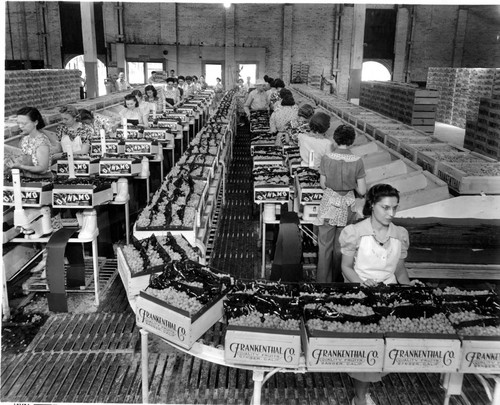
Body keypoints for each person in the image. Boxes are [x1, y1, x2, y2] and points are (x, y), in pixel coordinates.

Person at [339, 183, 420, 405]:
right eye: (385, 207)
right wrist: (363, 284)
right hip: (360, 296)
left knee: (386, 348)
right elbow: (346, 267)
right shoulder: (355, 233)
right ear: (372, 205)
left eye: (394, 208)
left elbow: (400, 270)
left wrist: (410, 290)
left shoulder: (400, 235)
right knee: (366, 348)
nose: (391, 213)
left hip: (389, 298)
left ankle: (364, 390)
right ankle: (360, 397)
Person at [315, 124, 366, 284]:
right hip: (348, 206)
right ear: (352, 141)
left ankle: (322, 284)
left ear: (335, 139)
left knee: (324, 246)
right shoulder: (358, 161)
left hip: (329, 205)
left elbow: (323, 184)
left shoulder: (326, 158)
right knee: (341, 247)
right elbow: (363, 191)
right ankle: (337, 282)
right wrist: (352, 185)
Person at [6, 107, 52, 178]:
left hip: (42, 181)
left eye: (24, 124)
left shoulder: (42, 142)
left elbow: (43, 169)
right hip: (27, 178)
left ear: (35, 122)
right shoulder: (25, 139)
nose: (21, 126)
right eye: (19, 123)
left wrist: (21, 166)